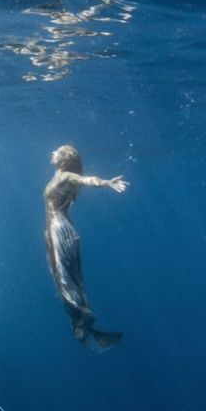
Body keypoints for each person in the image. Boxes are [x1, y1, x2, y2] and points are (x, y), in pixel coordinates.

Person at [44, 144, 128, 351]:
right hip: (55, 229)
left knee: (65, 277)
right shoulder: (58, 177)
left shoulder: (66, 176)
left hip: (59, 229)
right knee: (63, 277)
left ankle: (84, 321)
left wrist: (107, 183)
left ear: (64, 159)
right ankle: (83, 324)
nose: (52, 153)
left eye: (57, 151)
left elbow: (86, 180)